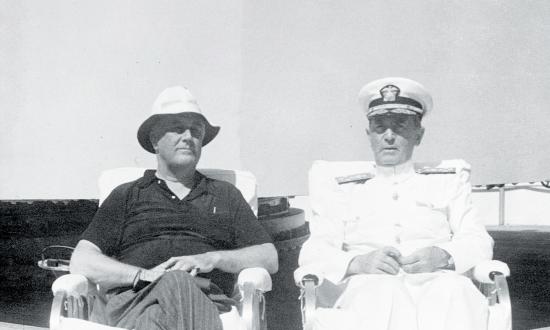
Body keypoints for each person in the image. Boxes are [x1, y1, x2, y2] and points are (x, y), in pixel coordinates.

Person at [70, 86, 278, 330]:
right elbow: (82, 260)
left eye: (196, 131)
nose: (189, 137)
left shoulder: (224, 194)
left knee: (156, 316)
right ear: (155, 141)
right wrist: (144, 275)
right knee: (176, 281)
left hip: (205, 299)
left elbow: (269, 257)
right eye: (178, 128)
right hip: (134, 299)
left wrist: (211, 259)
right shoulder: (127, 194)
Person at [298, 77, 494, 330]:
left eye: (400, 126)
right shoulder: (340, 188)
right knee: (383, 293)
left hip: (438, 280)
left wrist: (445, 256)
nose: (388, 136)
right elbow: (314, 250)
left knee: (454, 291)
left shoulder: (448, 181)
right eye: (380, 128)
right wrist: (358, 263)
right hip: (370, 285)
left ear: (418, 134)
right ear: (369, 135)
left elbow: (477, 238)